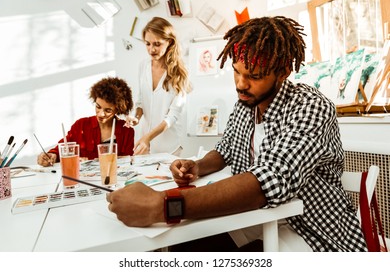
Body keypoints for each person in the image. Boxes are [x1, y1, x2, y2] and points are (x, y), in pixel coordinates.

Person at [107, 16, 368, 252]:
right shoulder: (247, 103)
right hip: (256, 220)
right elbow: (226, 149)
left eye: (254, 76)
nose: (241, 84)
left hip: (309, 229)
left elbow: (267, 182)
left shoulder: (311, 107)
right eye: (237, 71)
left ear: (283, 73)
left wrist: (161, 205)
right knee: (183, 248)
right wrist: (196, 166)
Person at [126, 17, 191, 156]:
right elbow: (141, 101)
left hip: (169, 149)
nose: (151, 49)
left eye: (157, 44)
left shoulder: (180, 73)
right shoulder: (143, 66)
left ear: (169, 42)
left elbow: (172, 116)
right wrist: (136, 117)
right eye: (148, 44)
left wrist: (148, 138)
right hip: (145, 147)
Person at [37, 77, 135, 166]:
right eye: (98, 107)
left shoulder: (126, 131)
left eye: (108, 110)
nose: (101, 114)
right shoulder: (81, 125)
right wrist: (51, 155)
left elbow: (127, 163)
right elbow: (63, 148)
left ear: (118, 109)